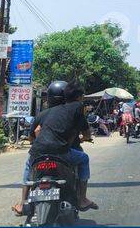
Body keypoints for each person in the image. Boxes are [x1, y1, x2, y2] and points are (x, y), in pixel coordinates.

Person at [12, 79, 97, 215]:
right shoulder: (74, 110)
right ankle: (82, 198)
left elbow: (31, 137)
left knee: (29, 165)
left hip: (38, 152)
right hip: (61, 152)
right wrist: (84, 137)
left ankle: (23, 202)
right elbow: (85, 133)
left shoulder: (43, 114)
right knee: (84, 158)